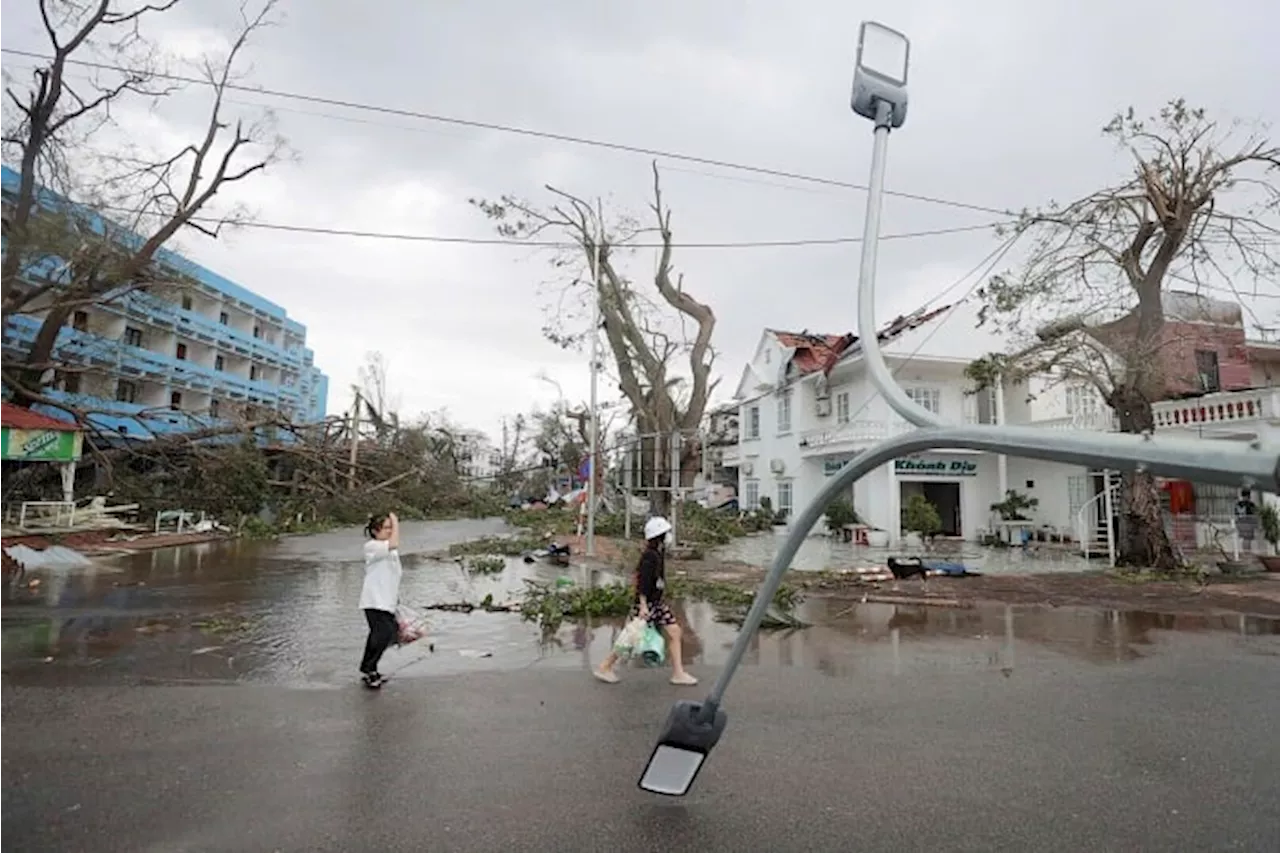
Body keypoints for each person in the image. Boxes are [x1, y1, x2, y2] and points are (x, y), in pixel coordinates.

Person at [594, 515, 698, 686]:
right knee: (630, 637)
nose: (669, 536)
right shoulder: (650, 556)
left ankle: (678, 673)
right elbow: (642, 583)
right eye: (666, 533)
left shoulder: (657, 554)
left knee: (674, 632)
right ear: (660, 536)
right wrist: (642, 605)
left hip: (656, 603)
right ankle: (605, 666)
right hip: (647, 605)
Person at [359, 511, 402, 689]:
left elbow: (393, 575)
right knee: (382, 635)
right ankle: (369, 670)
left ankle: (369, 667)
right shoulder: (373, 546)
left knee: (388, 633)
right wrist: (396, 521)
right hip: (374, 601)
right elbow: (394, 543)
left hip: (387, 601)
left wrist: (396, 598)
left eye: (391, 528)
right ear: (376, 531)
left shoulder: (389, 550)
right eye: (387, 528)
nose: (390, 531)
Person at [1235, 489, 1259, 554]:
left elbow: (1236, 514)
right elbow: (1255, 514)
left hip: (1242, 523)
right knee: (1247, 538)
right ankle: (1247, 552)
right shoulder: (1251, 504)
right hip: (1247, 524)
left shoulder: (1239, 504)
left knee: (1246, 539)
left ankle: (1246, 552)